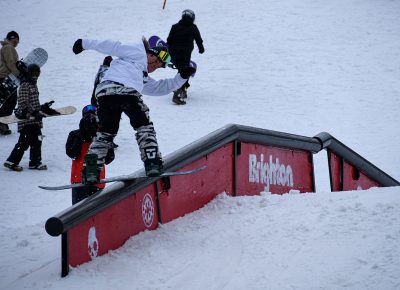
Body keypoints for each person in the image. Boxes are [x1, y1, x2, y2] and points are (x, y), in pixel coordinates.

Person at [72, 37, 195, 183]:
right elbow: (111, 45)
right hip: (127, 92)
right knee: (144, 126)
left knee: (105, 133)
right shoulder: (136, 51)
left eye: (158, 66)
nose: (154, 67)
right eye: (155, 62)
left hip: (106, 94)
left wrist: (181, 77)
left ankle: (91, 170)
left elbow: (161, 88)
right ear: (150, 53)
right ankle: (152, 162)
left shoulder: (142, 76)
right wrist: (84, 44)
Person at [3, 64, 59, 171]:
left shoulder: (33, 85)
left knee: (30, 141)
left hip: (34, 120)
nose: (35, 76)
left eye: (37, 74)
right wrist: (34, 112)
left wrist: (44, 107)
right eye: (33, 73)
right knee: (32, 141)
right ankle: (32, 162)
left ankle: (17, 162)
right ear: (29, 73)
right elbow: (23, 102)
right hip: (27, 120)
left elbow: (33, 104)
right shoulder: (25, 85)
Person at [66, 105, 114, 205]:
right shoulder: (75, 134)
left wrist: (99, 136)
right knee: (79, 214)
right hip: (79, 181)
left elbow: (109, 158)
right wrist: (81, 135)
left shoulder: (101, 136)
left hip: (97, 181)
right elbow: (72, 154)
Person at [167, 9, 204, 105]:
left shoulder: (175, 27)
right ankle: (177, 93)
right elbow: (198, 39)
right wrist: (201, 48)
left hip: (174, 53)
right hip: (185, 54)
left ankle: (183, 90)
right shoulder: (193, 27)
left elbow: (169, 40)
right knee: (184, 72)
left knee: (182, 71)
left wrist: (169, 52)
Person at [0, 31, 21, 135]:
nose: (17, 42)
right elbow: (11, 63)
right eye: (16, 40)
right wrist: (18, 74)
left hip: (5, 77)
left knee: (7, 101)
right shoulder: (8, 47)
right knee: (11, 101)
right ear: (12, 38)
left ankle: (2, 123)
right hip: (6, 77)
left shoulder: (6, 47)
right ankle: (1, 121)